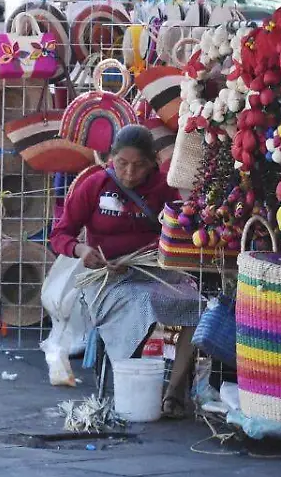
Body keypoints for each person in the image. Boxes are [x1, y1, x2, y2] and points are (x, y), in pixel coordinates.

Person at [49, 125, 200, 418]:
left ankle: (174, 393)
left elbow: (179, 229)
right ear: (111, 158)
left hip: (153, 272)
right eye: (122, 163)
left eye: (139, 165)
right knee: (142, 304)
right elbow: (60, 234)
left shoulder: (163, 188)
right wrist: (81, 250)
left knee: (196, 307)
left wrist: (159, 246)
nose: (130, 172)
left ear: (153, 162)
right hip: (106, 278)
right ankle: (132, 386)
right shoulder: (94, 185)